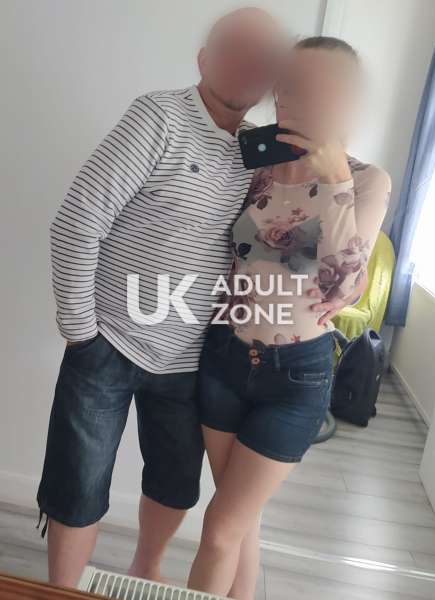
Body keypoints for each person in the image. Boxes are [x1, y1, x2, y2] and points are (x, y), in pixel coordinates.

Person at [36, 7, 286, 588]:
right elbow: (77, 222)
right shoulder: (160, 116)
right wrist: (81, 331)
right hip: (109, 342)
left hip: (190, 358)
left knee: (175, 483)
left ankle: (144, 570)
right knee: (79, 482)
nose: (248, 64)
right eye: (235, 49)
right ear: (204, 59)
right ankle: (62, 591)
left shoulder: (259, 148)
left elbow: (318, 186)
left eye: (264, 58)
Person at [189, 37, 391, 600]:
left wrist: (336, 182)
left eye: (322, 87)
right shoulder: (254, 162)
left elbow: (343, 288)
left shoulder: (366, 180)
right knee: (238, 521)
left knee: (220, 528)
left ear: (348, 98)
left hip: (295, 374)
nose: (301, 97)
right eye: (292, 84)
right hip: (224, 358)